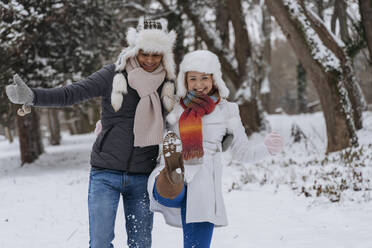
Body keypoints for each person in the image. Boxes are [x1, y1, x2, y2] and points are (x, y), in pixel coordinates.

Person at [5, 18, 177, 248]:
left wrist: (221, 130)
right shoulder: (112, 76)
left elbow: (188, 113)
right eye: (144, 53)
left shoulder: (168, 85)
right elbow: (72, 93)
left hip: (143, 176)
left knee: (141, 244)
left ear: (164, 55)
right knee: (99, 243)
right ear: (135, 49)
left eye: (156, 55)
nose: (149, 60)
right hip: (106, 174)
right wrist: (34, 96)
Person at [147, 50, 284, 248]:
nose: (199, 84)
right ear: (185, 80)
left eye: (204, 78)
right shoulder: (174, 106)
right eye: (192, 78)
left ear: (214, 79)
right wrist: (110, 125)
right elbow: (146, 126)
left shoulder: (227, 111)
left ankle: (174, 175)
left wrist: (267, 148)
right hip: (171, 175)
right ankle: (172, 172)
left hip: (203, 186)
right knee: (172, 187)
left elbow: (243, 152)